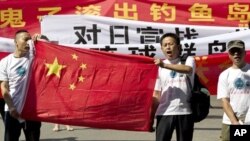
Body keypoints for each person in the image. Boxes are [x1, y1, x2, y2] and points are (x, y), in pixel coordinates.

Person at [153, 33, 195, 141]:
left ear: (178, 47)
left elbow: (188, 70)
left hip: (185, 111)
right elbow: (157, 93)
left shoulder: (188, 60)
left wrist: (165, 65)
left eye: (171, 44)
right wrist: (150, 118)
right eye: (165, 45)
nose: (168, 47)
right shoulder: (158, 67)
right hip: (164, 112)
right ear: (161, 48)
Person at [0, 29, 41, 141]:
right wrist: (12, 107)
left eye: (29, 39)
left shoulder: (34, 57)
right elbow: (4, 87)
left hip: (32, 111)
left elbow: (51, 49)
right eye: (25, 39)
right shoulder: (5, 62)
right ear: (16, 41)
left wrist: (42, 39)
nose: (28, 42)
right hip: (12, 111)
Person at [217, 40, 250, 141]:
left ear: (244, 53)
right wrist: (234, 122)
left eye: (239, 51)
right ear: (229, 55)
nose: (236, 54)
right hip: (230, 121)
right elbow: (224, 101)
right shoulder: (224, 75)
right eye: (233, 51)